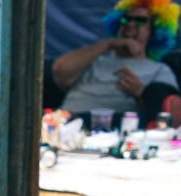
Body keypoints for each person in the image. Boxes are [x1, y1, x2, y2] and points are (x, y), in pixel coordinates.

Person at [53, 0, 181, 128]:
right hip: (68, 122)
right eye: (125, 20)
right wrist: (109, 44)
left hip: (118, 127)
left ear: (154, 31)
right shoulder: (93, 60)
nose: (130, 24)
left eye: (140, 20)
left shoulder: (160, 70)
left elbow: (167, 114)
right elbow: (60, 69)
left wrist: (140, 93)